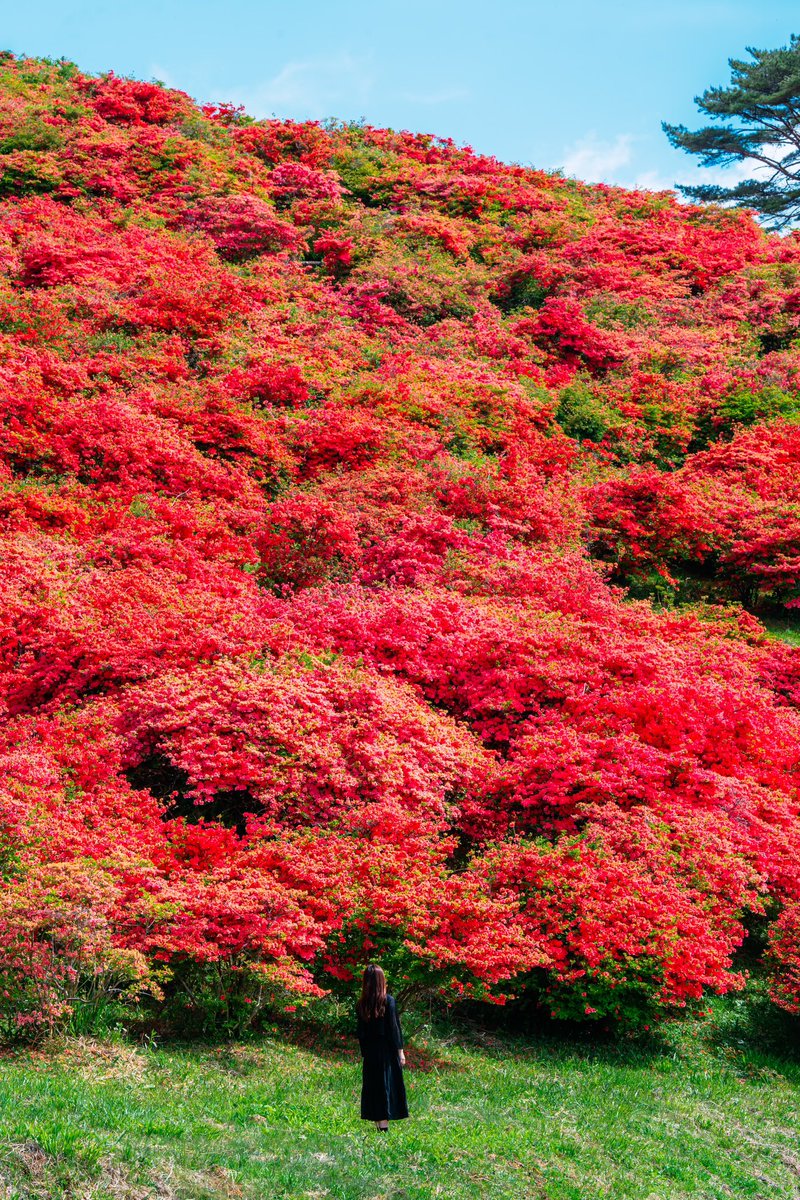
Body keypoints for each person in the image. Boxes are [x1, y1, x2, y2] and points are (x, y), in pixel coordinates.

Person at [356, 963, 409, 1130]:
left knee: (373, 1087)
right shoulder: (388, 1001)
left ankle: (379, 1124)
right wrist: (400, 1052)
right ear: (381, 980)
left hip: (371, 1052)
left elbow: (361, 1032)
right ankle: (383, 1127)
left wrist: (365, 1052)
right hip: (386, 1050)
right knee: (385, 1086)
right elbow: (394, 1028)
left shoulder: (361, 1004)